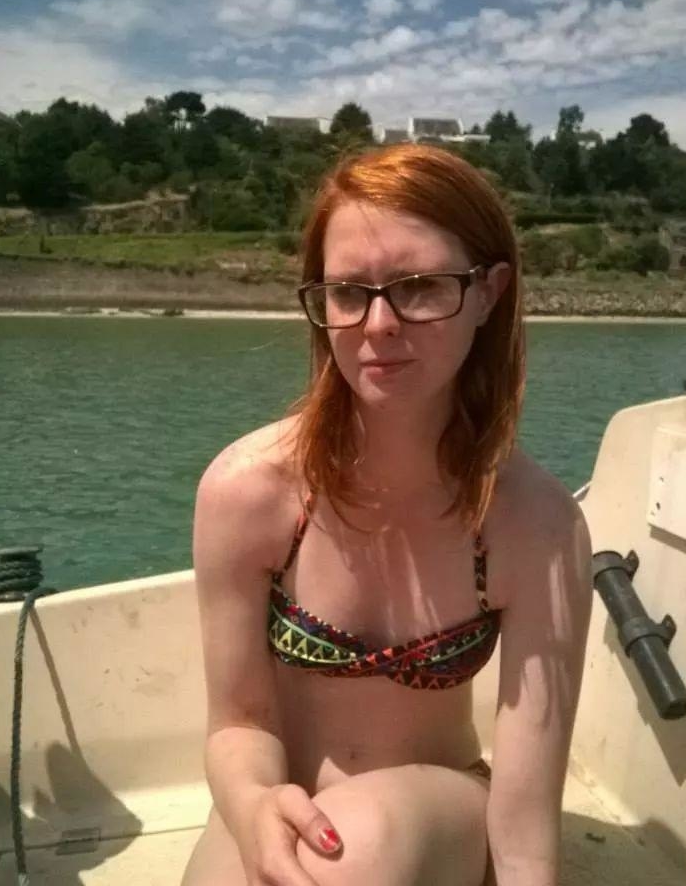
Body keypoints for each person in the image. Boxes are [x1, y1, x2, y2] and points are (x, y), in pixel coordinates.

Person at [181, 143, 593, 886]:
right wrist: (252, 805)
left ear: (489, 292)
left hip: (439, 812)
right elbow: (240, 723)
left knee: (353, 850)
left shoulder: (536, 526)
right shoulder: (248, 492)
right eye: (348, 292)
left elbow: (527, 822)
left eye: (421, 287)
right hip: (280, 797)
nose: (378, 325)